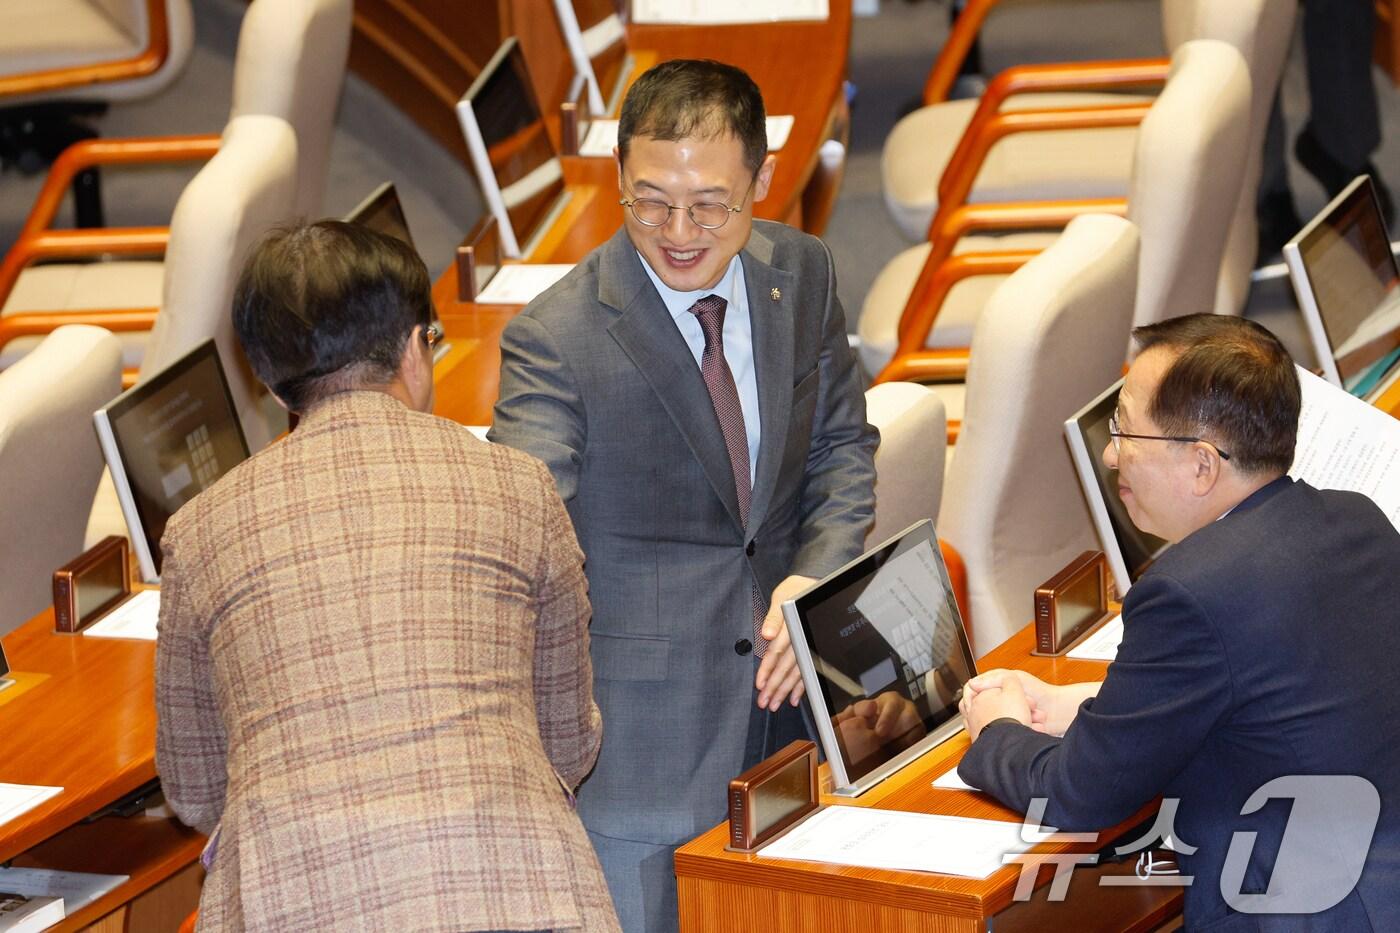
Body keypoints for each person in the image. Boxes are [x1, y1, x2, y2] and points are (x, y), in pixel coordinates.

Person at [490, 59, 878, 932]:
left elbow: (841, 449)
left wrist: (815, 577)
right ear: (619, 178)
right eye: (650, 202)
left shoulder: (801, 272)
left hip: (796, 717)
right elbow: (522, 534)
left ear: (762, 181)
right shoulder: (555, 339)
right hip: (643, 760)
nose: (677, 231)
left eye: (709, 205)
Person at [155, 222, 620, 932]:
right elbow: (569, 740)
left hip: (292, 906)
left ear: (272, 386)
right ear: (412, 349)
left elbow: (194, 787)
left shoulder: (198, 533)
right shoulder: (520, 487)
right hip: (521, 898)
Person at [958, 314, 1400, 930]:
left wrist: (995, 728)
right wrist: (1080, 704)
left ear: (1201, 465)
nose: (1110, 454)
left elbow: (1077, 794)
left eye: (1125, 431)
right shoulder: (1356, 519)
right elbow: (1277, 691)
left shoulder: (1189, 590)